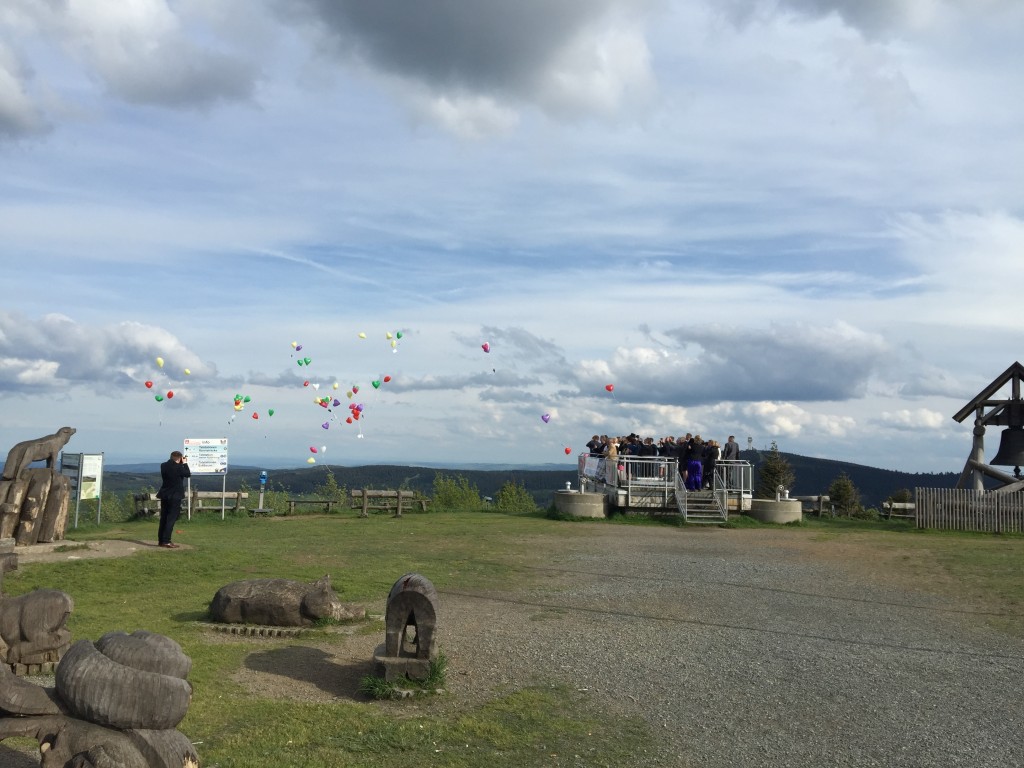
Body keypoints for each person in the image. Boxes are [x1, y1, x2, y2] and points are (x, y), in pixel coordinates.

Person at [156, 450, 190, 548]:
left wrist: (180, 463)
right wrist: (185, 463)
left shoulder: (163, 465)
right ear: (179, 458)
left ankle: (161, 541)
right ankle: (167, 541)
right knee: (171, 518)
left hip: (164, 494)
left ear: (171, 457)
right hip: (175, 495)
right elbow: (188, 474)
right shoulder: (180, 467)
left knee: (164, 518)